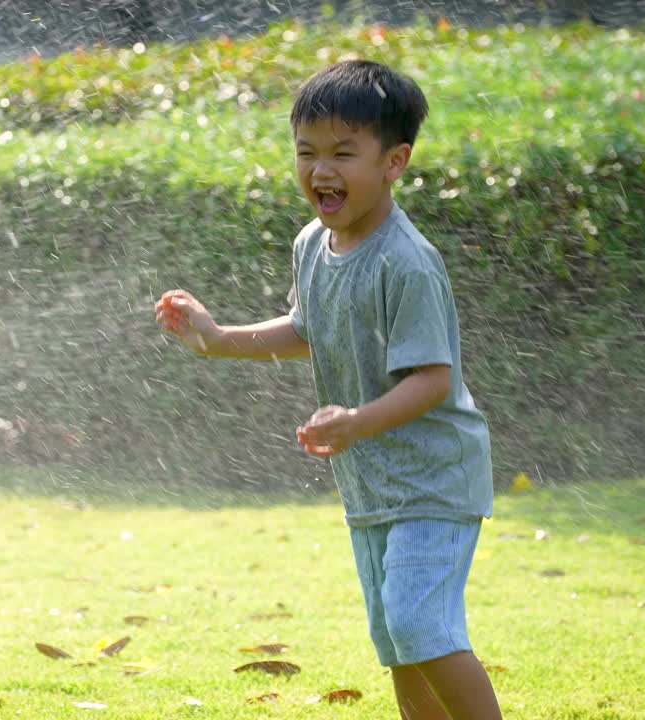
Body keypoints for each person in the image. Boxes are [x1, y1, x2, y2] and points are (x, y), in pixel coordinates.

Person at [154, 60, 502, 719]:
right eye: (307, 152)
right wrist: (217, 335)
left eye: (344, 153)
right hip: (371, 482)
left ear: (394, 161)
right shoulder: (312, 245)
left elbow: (434, 380)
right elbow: (307, 328)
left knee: (421, 626)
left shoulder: (407, 262)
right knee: (399, 640)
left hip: (434, 479)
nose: (321, 170)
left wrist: (358, 422)